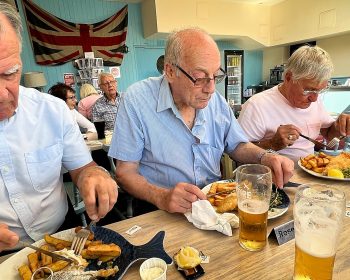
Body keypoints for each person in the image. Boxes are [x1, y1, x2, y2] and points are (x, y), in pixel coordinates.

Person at [108, 27, 294, 215]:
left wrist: (265, 157)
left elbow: (237, 146)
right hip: (160, 210)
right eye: (199, 78)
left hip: (214, 207)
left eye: (215, 76)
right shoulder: (137, 100)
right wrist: (161, 196)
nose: (211, 89)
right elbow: (125, 173)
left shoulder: (216, 101)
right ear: (170, 71)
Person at [0, 3, 118, 253]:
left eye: (9, 73)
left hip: (64, 235)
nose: (1, 94)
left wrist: (93, 175)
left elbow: (82, 167)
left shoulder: (52, 110)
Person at [238, 45, 350, 162]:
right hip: (271, 177)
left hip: (309, 174)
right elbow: (239, 152)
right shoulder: (257, 104)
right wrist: (272, 144)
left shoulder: (315, 100)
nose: (314, 99)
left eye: (320, 91)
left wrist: (339, 127)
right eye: (308, 90)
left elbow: (328, 134)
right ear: (288, 77)